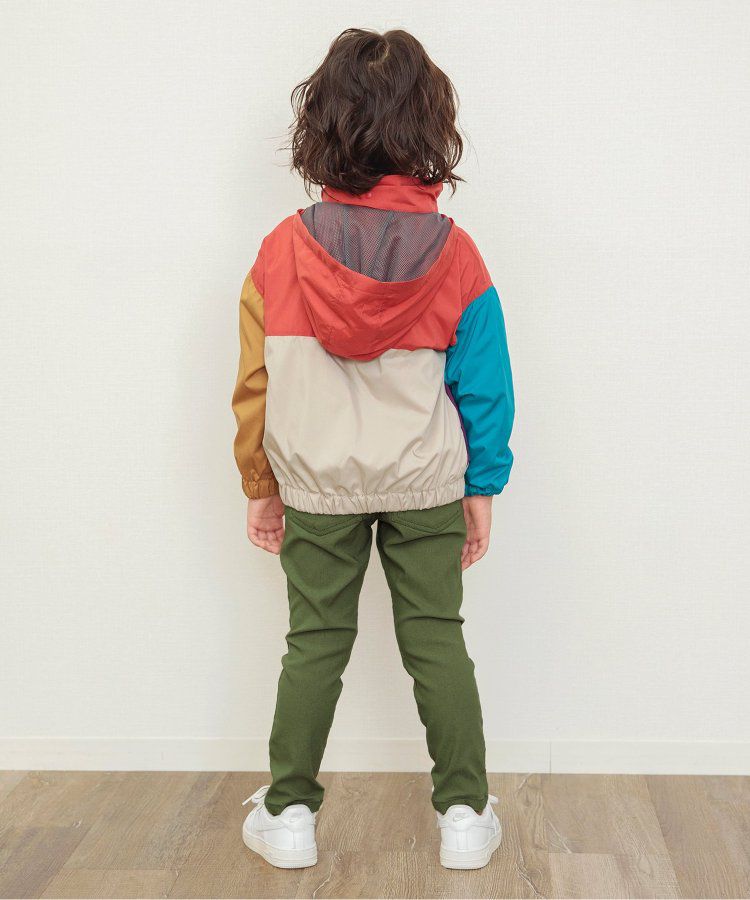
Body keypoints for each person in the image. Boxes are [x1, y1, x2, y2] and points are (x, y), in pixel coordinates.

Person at [232, 27, 514, 871]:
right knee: (437, 641)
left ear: (324, 124)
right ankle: (464, 815)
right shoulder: (456, 254)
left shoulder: (282, 249)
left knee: (315, 642)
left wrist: (260, 481)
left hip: (317, 483)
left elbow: (255, 381)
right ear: (429, 124)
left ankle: (288, 814)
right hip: (425, 479)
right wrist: (481, 485)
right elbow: (485, 385)